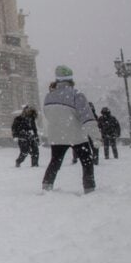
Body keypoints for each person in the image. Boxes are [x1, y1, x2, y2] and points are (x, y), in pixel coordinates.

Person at [41, 65, 101, 194]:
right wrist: (96, 136)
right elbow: (87, 117)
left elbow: (47, 115)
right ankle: (89, 187)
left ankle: (47, 185)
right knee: (87, 161)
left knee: (55, 161)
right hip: (76, 135)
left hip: (57, 136)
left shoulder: (48, 96)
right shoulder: (77, 95)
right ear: (71, 79)